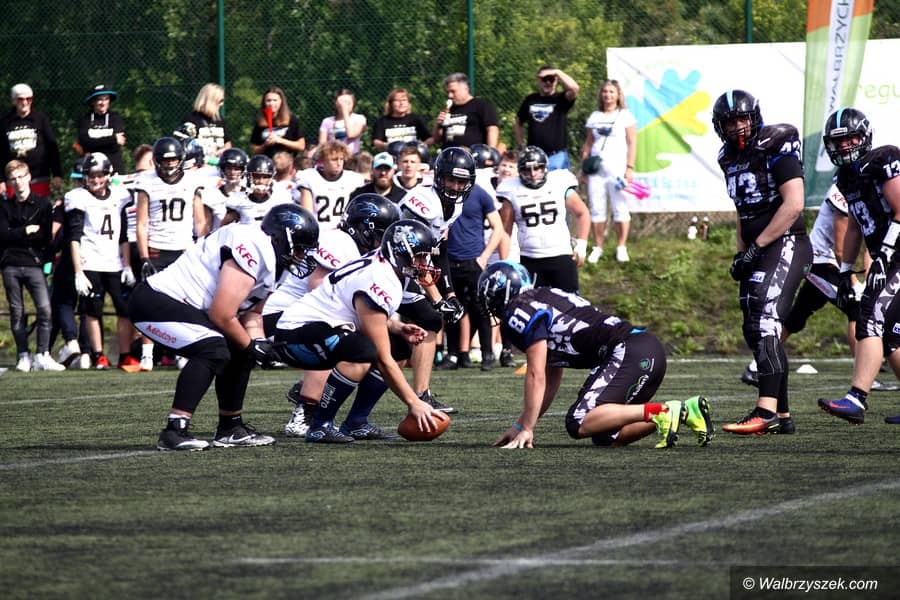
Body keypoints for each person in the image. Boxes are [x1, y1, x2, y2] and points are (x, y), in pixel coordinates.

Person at [129, 203, 319, 450]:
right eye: (300, 248)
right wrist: (251, 345)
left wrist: (259, 344)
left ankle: (230, 428)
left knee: (241, 350)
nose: (302, 256)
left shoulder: (277, 264)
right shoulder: (253, 245)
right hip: (155, 301)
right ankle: (174, 430)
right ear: (281, 238)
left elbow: (252, 313)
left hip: (185, 306)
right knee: (214, 349)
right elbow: (222, 314)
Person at [478, 261, 712, 449]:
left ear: (501, 292)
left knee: (579, 420)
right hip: (645, 349)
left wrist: (528, 429)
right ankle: (683, 411)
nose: (490, 305)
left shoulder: (518, 309)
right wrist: (521, 426)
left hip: (628, 350)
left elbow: (536, 375)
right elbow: (550, 375)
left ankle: (662, 411)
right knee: (606, 435)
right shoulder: (544, 295)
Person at [273, 219, 449, 443]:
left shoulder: (388, 268)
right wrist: (414, 402)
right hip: (295, 334)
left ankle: (356, 422)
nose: (425, 263)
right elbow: (381, 358)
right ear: (400, 253)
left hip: (321, 327)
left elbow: (357, 313)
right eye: (420, 257)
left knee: (399, 348)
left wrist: (397, 326)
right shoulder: (379, 278)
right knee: (363, 351)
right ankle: (319, 425)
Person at [711, 89, 811, 435]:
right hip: (759, 247)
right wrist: (742, 252)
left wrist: (758, 247)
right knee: (753, 327)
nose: (737, 127)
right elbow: (743, 211)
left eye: (742, 118)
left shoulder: (777, 142)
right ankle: (782, 415)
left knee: (765, 320)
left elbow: (794, 204)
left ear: (754, 117)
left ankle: (765, 411)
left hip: (787, 242)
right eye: (729, 122)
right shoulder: (727, 157)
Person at [263, 194, 400, 437]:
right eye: (380, 234)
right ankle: (305, 412)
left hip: (305, 315)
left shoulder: (363, 252)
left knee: (388, 346)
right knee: (337, 337)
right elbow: (319, 289)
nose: (383, 242)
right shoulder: (338, 241)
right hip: (283, 315)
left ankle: (356, 420)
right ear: (363, 228)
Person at [817, 108, 900, 425]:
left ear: (864, 137)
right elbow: (855, 225)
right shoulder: (845, 177)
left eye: (850, 138)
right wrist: (844, 270)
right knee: (891, 336)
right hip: (889, 255)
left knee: (870, 314)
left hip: (896, 253)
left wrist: (884, 254)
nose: (844, 145)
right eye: (838, 141)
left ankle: (856, 398)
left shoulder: (883, 159)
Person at [398, 147, 480, 413]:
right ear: (439, 176)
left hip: (406, 270)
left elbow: (439, 249)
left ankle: (422, 394)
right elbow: (411, 253)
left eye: (461, 182)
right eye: (451, 180)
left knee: (425, 325)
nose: (455, 187)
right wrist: (436, 298)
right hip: (389, 268)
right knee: (426, 321)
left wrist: (450, 293)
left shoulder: (454, 206)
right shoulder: (422, 201)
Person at [133, 137, 206, 371]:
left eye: (173, 159)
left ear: (181, 160)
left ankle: (181, 351)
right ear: (156, 162)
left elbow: (200, 221)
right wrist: (144, 256)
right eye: (165, 160)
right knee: (151, 302)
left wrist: (201, 247)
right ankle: (147, 354)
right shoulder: (147, 182)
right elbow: (141, 223)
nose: (169, 164)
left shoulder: (192, 182)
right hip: (157, 248)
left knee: (184, 302)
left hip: (183, 248)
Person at [65, 152, 134, 369]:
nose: (96, 180)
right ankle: (98, 355)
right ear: (85, 176)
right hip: (91, 263)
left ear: (108, 175)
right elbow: (74, 237)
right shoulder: (78, 198)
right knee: (92, 310)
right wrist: (78, 271)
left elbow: (124, 236)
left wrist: (127, 265)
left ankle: (125, 355)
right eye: (92, 175)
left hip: (114, 263)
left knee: (124, 309)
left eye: (100, 175)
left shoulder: (119, 196)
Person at [0, 160, 65, 371]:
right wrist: (25, 231)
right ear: (9, 182)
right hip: (10, 263)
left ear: (28, 177)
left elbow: (45, 237)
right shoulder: (5, 206)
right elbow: (3, 236)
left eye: (21, 177)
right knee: (17, 311)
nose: (18, 182)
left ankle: (42, 353)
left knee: (45, 308)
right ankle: (23, 355)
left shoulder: (43, 204)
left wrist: (17, 234)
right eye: (13, 179)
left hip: (34, 262)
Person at [497, 146, 590, 292]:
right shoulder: (510, 189)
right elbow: (505, 231)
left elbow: (582, 213)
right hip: (530, 259)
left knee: (568, 303)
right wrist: (505, 262)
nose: (533, 174)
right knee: (534, 304)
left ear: (545, 168)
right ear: (520, 171)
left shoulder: (559, 182)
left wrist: (582, 245)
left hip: (561, 256)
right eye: (527, 170)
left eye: (537, 168)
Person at [440, 166, 505, 371]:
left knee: (481, 309)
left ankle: (487, 354)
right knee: (451, 309)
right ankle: (453, 355)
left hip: (473, 261)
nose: (457, 184)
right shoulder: (440, 193)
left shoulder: (480, 194)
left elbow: (498, 228)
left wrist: (484, 257)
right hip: (448, 260)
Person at [581, 79, 637, 263]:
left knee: (620, 208)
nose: (608, 95)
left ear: (618, 95)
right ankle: (598, 247)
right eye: (605, 91)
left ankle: (621, 247)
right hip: (596, 171)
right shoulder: (594, 116)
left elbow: (632, 142)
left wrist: (629, 167)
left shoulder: (625, 116)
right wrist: (584, 167)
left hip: (618, 170)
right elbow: (588, 143)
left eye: (611, 92)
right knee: (597, 209)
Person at [0, 84, 62, 198]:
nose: (25, 102)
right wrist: (1, 180)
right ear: (13, 101)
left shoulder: (40, 119)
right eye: (20, 99)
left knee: (40, 207)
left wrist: (57, 174)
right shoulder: (4, 122)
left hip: (39, 177)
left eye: (28, 99)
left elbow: (52, 147)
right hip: (13, 179)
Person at [514, 66, 579, 171]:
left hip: (556, 155)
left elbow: (575, 88)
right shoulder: (530, 100)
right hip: (534, 155)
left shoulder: (561, 99)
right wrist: (521, 145)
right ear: (538, 80)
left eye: (551, 79)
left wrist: (557, 72)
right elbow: (518, 122)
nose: (548, 82)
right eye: (544, 79)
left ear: (556, 81)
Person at [296, 141, 365, 231]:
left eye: (341, 159)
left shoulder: (353, 179)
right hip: (318, 231)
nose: (339, 163)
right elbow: (307, 215)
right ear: (322, 160)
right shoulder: (309, 177)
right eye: (334, 159)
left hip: (343, 232)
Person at [432, 73, 499, 149]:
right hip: (448, 153)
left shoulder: (481, 105)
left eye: (453, 91)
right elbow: (436, 139)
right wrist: (438, 125)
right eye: (448, 92)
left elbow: (492, 129)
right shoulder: (448, 110)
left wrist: (490, 151)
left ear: (466, 89)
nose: (450, 95)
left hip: (473, 153)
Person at [221, 154, 292, 225]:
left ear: (272, 177)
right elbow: (224, 226)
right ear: (248, 177)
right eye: (256, 176)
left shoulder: (282, 197)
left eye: (265, 177)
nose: (261, 181)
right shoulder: (238, 199)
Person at [77, 84, 126, 174]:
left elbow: (119, 143)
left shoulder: (115, 118)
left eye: (106, 99)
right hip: (92, 170)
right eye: (99, 99)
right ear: (93, 102)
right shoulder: (85, 119)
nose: (103, 103)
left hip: (114, 168)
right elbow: (84, 143)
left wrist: (94, 143)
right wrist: (113, 139)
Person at [250, 86, 306, 158]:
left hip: (285, 161)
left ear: (281, 101)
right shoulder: (260, 121)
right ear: (264, 102)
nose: (271, 103)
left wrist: (280, 140)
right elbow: (255, 150)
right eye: (268, 100)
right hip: (266, 161)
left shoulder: (291, 119)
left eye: (275, 100)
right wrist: (265, 145)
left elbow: (301, 146)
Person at [182, 83, 232, 159]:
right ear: (211, 101)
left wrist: (220, 152)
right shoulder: (191, 120)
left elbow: (227, 144)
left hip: (218, 162)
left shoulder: (219, 120)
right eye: (220, 101)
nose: (222, 104)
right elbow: (185, 146)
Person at [318, 88, 367, 156]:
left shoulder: (359, 118)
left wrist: (344, 111)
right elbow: (322, 144)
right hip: (333, 157)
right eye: (341, 102)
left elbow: (351, 134)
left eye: (348, 103)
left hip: (352, 157)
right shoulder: (327, 121)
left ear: (353, 103)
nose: (344, 105)